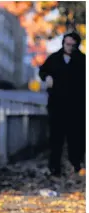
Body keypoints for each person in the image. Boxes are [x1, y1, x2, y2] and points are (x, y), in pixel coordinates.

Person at [39, 31, 86, 178]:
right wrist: (47, 77)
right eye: (67, 44)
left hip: (77, 106)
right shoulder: (54, 58)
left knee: (76, 137)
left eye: (73, 45)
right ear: (63, 43)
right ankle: (55, 168)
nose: (70, 47)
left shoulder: (82, 60)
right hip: (57, 105)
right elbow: (42, 71)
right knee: (56, 138)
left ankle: (76, 164)